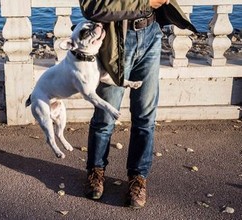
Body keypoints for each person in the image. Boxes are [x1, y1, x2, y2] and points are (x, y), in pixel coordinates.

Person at [79, 0, 197, 209]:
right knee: (106, 115)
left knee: (145, 117)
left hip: (151, 34)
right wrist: (146, 3)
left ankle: (138, 178)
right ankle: (95, 171)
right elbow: (92, 6)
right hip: (116, 40)